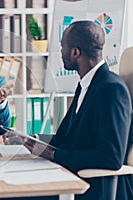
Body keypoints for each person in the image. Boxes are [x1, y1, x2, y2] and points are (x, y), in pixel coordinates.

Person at [22, 20, 132, 199]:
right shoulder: (85, 85)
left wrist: (53, 154)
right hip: (68, 176)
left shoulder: (111, 89)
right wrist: (34, 140)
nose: (61, 53)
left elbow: (111, 158)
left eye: (62, 46)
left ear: (75, 52)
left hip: (88, 187)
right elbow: (68, 138)